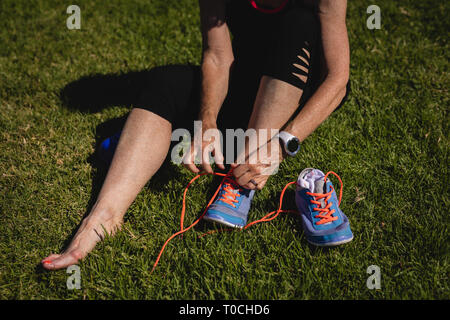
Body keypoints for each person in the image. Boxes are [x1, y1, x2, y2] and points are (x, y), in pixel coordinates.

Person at [42, 0, 350, 270]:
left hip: (297, 93)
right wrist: (207, 122)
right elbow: (217, 55)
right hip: (246, 83)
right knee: (164, 81)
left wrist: (282, 144)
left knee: (299, 22)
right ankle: (101, 219)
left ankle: (243, 177)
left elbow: (338, 80)